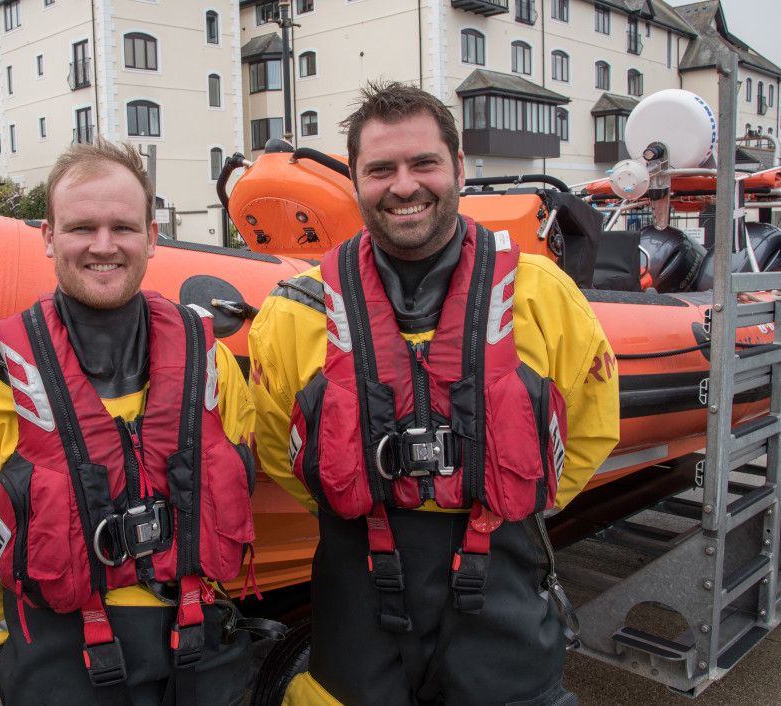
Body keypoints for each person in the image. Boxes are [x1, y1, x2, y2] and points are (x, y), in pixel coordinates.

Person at [248, 81, 620, 705]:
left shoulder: (542, 296)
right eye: (380, 169)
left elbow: (588, 430)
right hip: (355, 596)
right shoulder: (291, 318)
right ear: (356, 181)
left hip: (500, 585)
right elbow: (278, 448)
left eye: (424, 163)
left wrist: (503, 492)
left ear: (459, 169)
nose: (403, 185)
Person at [0, 138, 257, 705]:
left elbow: (243, 479)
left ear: (153, 238)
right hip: (63, 658)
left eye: (123, 228)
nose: (104, 246)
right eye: (81, 228)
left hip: (202, 649)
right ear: (49, 236)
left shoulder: (214, 365)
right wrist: (24, 645)